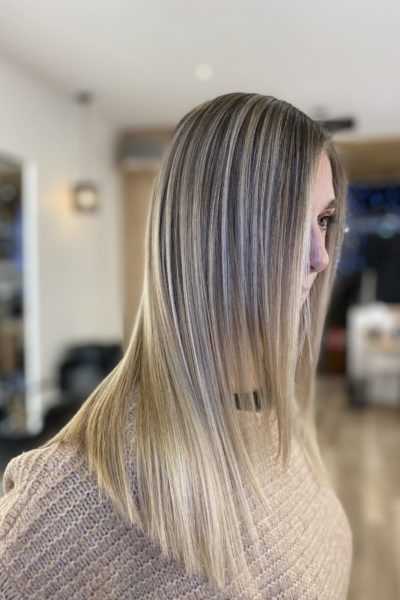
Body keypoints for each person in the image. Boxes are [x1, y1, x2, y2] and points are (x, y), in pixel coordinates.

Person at [0, 92, 353, 599]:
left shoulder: (273, 421)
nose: (321, 256)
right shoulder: (83, 490)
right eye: (290, 218)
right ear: (213, 234)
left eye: (324, 219)